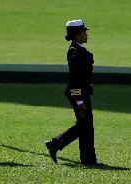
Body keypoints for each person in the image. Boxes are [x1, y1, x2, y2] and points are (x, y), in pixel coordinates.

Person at [45, 19, 102, 166]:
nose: (86, 35)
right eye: (84, 32)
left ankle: (58, 145)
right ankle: (85, 158)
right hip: (78, 94)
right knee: (86, 125)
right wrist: (79, 101)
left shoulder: (79, 50)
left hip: (81, 93)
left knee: (85, 125)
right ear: (77, 35)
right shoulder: (74, 52)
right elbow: (76, 79)